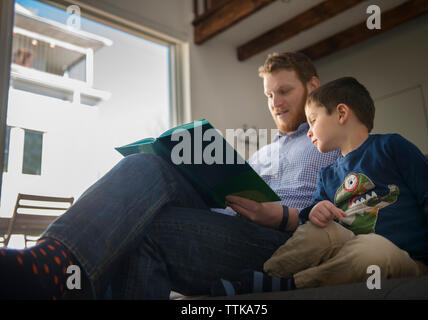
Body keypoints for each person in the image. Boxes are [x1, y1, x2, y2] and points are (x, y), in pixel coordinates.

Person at [0, 52, 339, 300]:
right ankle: (54, 259)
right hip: (227, 224)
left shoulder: (333, 140)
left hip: (279, 239)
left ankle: (52, 271)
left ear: (313, 85)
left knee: (144, 230)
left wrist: (280, 217)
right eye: (268, 94)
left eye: (284, 91)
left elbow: (346, 213)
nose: (275, 102)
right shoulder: (263, 152)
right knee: (146, 166)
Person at [210, 77, 428, 296]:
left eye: (313, 121)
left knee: (372, 250)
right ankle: (265, 276)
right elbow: (311, 217)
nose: (310, 132)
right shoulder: (327, 174)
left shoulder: (391, 146)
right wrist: (316, 211)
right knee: (318, 230)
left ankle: (292, 285)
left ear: (341, 113)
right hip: (345, 248)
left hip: (407, 259)